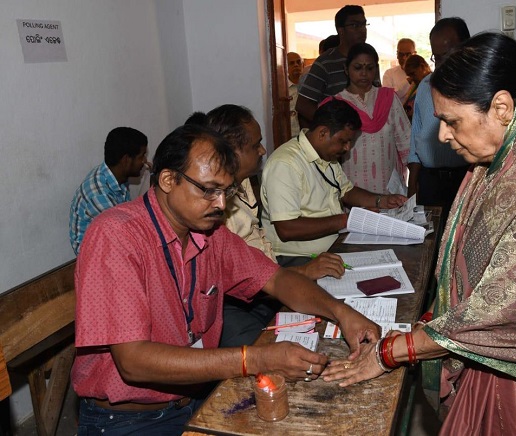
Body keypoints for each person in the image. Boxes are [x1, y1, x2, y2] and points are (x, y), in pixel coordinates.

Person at [323, 32, 516, 434]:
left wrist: (388, 353)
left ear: (502, 108)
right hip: (500, 359)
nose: (443, 136)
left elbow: (493, 316)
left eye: (452, 121)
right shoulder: (494, 170)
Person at [71, 124, 380, 434]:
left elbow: (277, 280)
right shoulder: (116, 236)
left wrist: (344, 313)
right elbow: (133, 360)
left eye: (226, 191)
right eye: (209, 190)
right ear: (168, 179)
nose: (220, 204)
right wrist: (255, 358)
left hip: (195, 396)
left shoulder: (210, 234)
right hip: (131, 421)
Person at [186, 105, 346, 347]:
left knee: (323, 315)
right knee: (272, 352)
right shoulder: (208, 206)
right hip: (229, 303)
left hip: (262, 283)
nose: (262, 150)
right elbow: (233, 276)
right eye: (255, 145)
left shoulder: (243, 182)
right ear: (231, 150)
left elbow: (258, 255)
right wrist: (303, 272)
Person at [261, 99, 407, 267]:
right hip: (295, 258)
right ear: (323, 133)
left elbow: (346, 191)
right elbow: (286, 228)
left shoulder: (326, 156)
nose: (347, 148)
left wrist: (382, 201)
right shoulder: (286, 164)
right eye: (343, 141)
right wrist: (347, 220)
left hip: (331, 247)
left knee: (389, 260)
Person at [323, 43, 410, 194]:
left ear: (376, 70)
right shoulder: (336, 104)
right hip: (351, 193)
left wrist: (414, 185)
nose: (364, 73)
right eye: (357, 67)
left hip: (389, 192)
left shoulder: (388, 98)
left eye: (369, 68)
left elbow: (407, 144)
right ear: (346, 69)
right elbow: (326, 154)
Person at [407, 18, 470, 216]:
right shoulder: (426, 86)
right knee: (430, 240)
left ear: (465, 48)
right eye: (437, 57)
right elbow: (416, 136)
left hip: (466, 177)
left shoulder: (476, 86)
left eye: (447, 55)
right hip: (430, 180)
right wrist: (413, 182)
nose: (442, 63)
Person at [69, 126, 149, 255]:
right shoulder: (99, 195)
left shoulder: (114, 176)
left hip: (112, 246)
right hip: (95, 261)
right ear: (126, 160)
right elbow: (129, 234)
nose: (145, 162)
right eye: (142, 156)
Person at [296, 5, 379, 125]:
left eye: (364, 24)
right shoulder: (325, 63)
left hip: (371, 131)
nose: (362, 29)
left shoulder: (370, 58)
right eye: (355, 25)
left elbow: (377, 94)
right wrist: (331, 126)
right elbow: (303, 105)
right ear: (340, 30)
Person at [382, 38, 416, 104]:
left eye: (408, 54)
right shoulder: (389, 74)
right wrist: (408, 81)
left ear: (414, 54)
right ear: (397, 55)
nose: (404, 58)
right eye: (401, 54)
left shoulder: (422, 74)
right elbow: (388, 97)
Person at [402, 54, 431, 121]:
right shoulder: (415, 85)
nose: (411, 78)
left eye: (413, 74)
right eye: (409, 75)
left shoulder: (431, 84)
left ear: (422, 67)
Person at [287, 52, 304, 137]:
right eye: (291, 63)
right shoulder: (283, 89)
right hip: (290, 136)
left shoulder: (308, 85)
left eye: (298, 62)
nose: (296, 65)